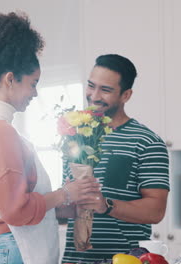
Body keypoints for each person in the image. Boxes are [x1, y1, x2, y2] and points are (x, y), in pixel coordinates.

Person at [0, 12, 101, 264]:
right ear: (10, 79)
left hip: (8, 246)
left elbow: (13, 204)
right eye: (33, 83)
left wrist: (66, 207)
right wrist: (65, 193)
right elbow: (16, 211)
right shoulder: (1, 133)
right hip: (16, 249)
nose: (35, 93)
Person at [60, 54, 170, 263]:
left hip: (123, 260)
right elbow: (66, 213)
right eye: (91, 86)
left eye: (106, 90)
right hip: (74, 259)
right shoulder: (75, 137)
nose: (94, 96)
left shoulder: (147, 142)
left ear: (126, 95)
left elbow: (156, 211)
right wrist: (64, 201)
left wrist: (106, 205)